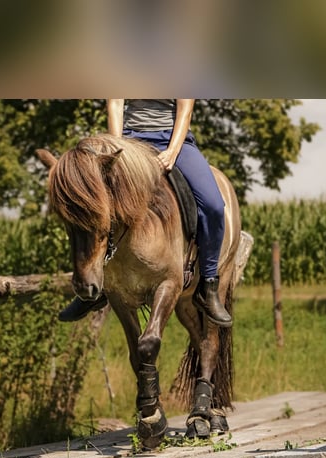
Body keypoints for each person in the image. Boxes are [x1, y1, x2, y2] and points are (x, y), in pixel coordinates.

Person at [58, 99, 232, 327]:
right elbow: (115, 104)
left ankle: (208, 285)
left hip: (173, 140)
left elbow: (185, 108)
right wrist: (118, 150)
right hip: (129, 139)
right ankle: (91, 289)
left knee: (213, 206)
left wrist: (171, 152)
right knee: (91, 199)